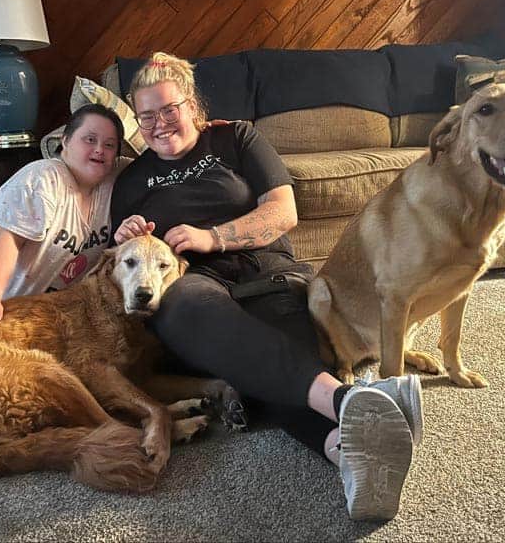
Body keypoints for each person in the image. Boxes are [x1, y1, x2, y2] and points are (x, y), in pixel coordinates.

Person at [111, 52, 424, 521]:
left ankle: (346, 454)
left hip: (267, 272)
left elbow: (283, 212)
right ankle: (350, 402)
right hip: (192, 284)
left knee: (279, 365)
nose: (158, 124)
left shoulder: (235, 137)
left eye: (169, 110)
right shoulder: (132, 179)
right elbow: (126, 261)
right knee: (186, 311)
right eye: (146, 115)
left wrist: (212, 236)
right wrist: (127, 235)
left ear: (192, 106)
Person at [0, 104, 127, 338]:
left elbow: (156, 163)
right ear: (66, 141)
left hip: (40, 319)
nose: (100, 149)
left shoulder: (114, 180)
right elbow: (8, 239)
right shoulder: (43, 178)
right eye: (90, 139)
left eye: (110, 145)